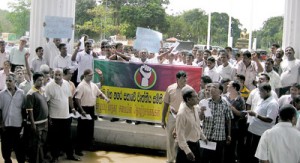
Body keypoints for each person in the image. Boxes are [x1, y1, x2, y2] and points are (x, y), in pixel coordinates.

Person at [45, 68, 80, 162]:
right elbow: (46, 102)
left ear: (62, 75)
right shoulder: (49, 86)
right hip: (54, 117)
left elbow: (69, 97)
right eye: (55, 75)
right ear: (53, 75)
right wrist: (48, 116)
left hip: (66, 116)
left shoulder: (66, 83)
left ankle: (70, 155)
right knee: (55, 139)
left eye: (59, 75)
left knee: (68, 137)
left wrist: (72, 108)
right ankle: (54, 157)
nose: (57, 77)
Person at [74, 69, 110, 155]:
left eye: (92, 75)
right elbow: (77, 99)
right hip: (83, 108)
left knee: (90, 128)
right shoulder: (81, 85)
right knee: (81, 129)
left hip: (91, 109)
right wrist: (81, 110)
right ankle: (78, 149)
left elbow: (99, 92)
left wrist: (105, 98)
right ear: (85, 75)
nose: (91, 76)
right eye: (90, 75)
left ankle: (88, 146)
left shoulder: (93, 85)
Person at [161, 71, 191, 163]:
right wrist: (162, 119)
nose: (185, 80)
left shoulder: (189, 90)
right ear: (177, 79)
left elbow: (191, 106)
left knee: (182, 139)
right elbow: (165, 105)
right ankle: (170, 159)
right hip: (172, 117)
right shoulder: (170, 88)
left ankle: (179, 159)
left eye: (186, 78)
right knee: (170, 139)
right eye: (183, 78)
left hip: (184, 118)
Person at [200, 82, 234, 163]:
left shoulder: (225, 103)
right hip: (206, 136)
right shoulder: (205, 102)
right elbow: (200, 118)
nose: (211, 89)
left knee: (217, 159)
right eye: (211, 87)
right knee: (204, 159)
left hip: (219, 137)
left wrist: (229, 134)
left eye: (214, 87)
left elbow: (228, 119)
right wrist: (201, 112)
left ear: (220, 91)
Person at [246, 83, 279, 163]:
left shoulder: (272, 103)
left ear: (267, 91)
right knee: (251, 152)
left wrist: (255, 115)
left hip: (261, 133)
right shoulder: (262, 99)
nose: (259, 94)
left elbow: (270, 119)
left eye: (261, 92)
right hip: (253, 130)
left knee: (258, 155)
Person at [176, 87, 207, 163]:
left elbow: (197, 126)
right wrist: (187, 151)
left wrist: (203, 137)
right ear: (188, 99)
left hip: (196, 145)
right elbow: (180, 135)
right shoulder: (182, 114)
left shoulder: (196, 108)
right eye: (195, 96)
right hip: (186, 147)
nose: (198, 98)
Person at [0, 73, 26, 163]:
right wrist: (1, 124)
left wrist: (23, 124)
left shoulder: (21, 93)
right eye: (6, 81)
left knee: (19, 148)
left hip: (17, 125)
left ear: (15, 82)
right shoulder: (1, 94)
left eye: (10, 81)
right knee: (5, 149)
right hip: (6, 126)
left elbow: (23, 109)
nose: (8, 82)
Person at [24, 72, 48, 163]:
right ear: (34, 81)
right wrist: (33, 124)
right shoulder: (31, 93)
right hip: (36, 123)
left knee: (41, 143)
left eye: (42, 80)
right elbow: (30, 110)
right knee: (35, 145)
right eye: (39, 80)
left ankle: (41, 160)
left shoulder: (43, 90)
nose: (41, 82)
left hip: (44, 122)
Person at [224, 80, 247, 163]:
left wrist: (233, 109)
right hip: (223, 126)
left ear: (234, 87)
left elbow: (243, 114)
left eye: (229, 85)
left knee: (231, 146)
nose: (227, 86)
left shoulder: (240, 99)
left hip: (234, 127)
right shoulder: (224, 97)